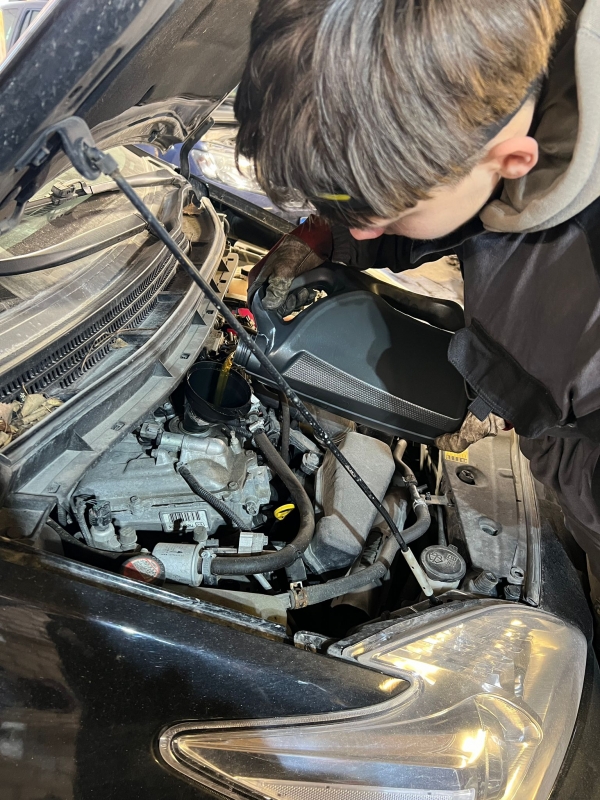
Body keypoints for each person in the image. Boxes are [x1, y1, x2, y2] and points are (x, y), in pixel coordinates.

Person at [233, 0, 600, 609]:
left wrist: (524, 416)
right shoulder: (483, 77)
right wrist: (327, 234)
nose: (365, 229)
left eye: (390, 211)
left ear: (513, 162)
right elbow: (460, 204)